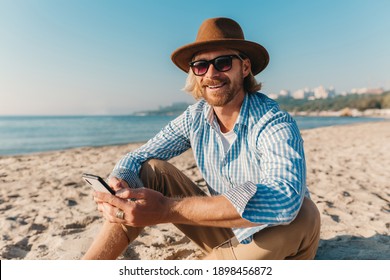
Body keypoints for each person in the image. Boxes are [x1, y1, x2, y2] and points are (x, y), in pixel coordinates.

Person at [82, 17, 321, 260]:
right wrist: (117, 186)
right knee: (152, 169)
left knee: (304, 213)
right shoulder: (195, 117)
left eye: (223, 62)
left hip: (279, 244)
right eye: (201, 66)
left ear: (245, 67)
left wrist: (167, 209)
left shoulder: (273, 121)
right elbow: (139, 156)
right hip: (225, 232)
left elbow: (283, 199)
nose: (212, 73)